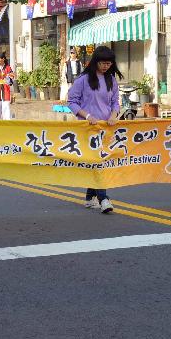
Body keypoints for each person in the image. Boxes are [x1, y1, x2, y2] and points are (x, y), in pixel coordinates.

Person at [67, 46, 122, 214]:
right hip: (88, 128)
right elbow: (72, 101)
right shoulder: (83, 80)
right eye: (102, 63)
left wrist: (114, 115)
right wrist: (87, 115)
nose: (105, 66)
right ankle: (104, 199)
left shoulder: (111, 80)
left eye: (108, 63)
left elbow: (115, 102)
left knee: (98, 162)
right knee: (98, 162)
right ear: (95, 62)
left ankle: (90, 197)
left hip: (106, 128)